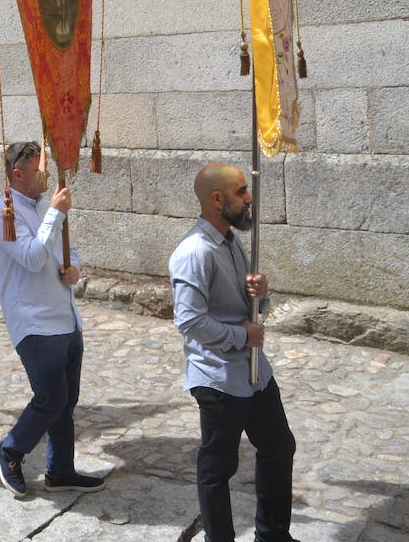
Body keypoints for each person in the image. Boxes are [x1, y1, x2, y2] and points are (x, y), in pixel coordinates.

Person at [170, 163, 296, 542]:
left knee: (278, 446)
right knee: (217, 467)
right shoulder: (193, 252)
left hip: (254, 373)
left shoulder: (230, 240)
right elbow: (189, 322)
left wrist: (261, 294)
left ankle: (272, 535)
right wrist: (241, 335)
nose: (250, 198)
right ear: (217, 199)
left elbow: (243, 306)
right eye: (242, 192)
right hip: (218, 378)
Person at [0, 141, 104, 498]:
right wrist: (54, 213)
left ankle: (61, 469)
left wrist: (74, 269)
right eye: (38, 169)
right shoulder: (2, 214)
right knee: (50, 398)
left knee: (66, 402)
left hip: (65, 318)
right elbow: (32, 258)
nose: (45, 174)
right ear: (18, 174)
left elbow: (67, 248)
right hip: (34, 322)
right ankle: (10, 451)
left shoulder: (43, 206)